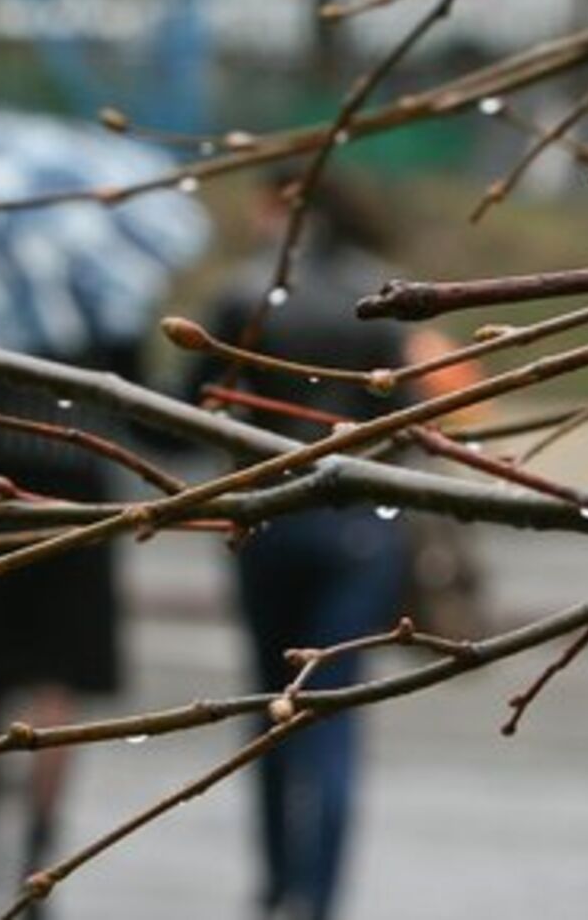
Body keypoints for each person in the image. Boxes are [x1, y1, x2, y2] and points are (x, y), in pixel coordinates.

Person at [196, 173, 413, 920]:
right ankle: (319, 898)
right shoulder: (377, 299)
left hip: (270, 525)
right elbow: (407, 428)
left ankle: (277, 884)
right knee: (335, 712)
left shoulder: (244, 297)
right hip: (359, 528)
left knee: (269, 707)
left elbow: (193, 411)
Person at [0, 347, 139, 920]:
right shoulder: (97, 290)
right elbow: (129, 386)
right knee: (55, 685)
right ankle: (37, 863)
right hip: (75, 492)